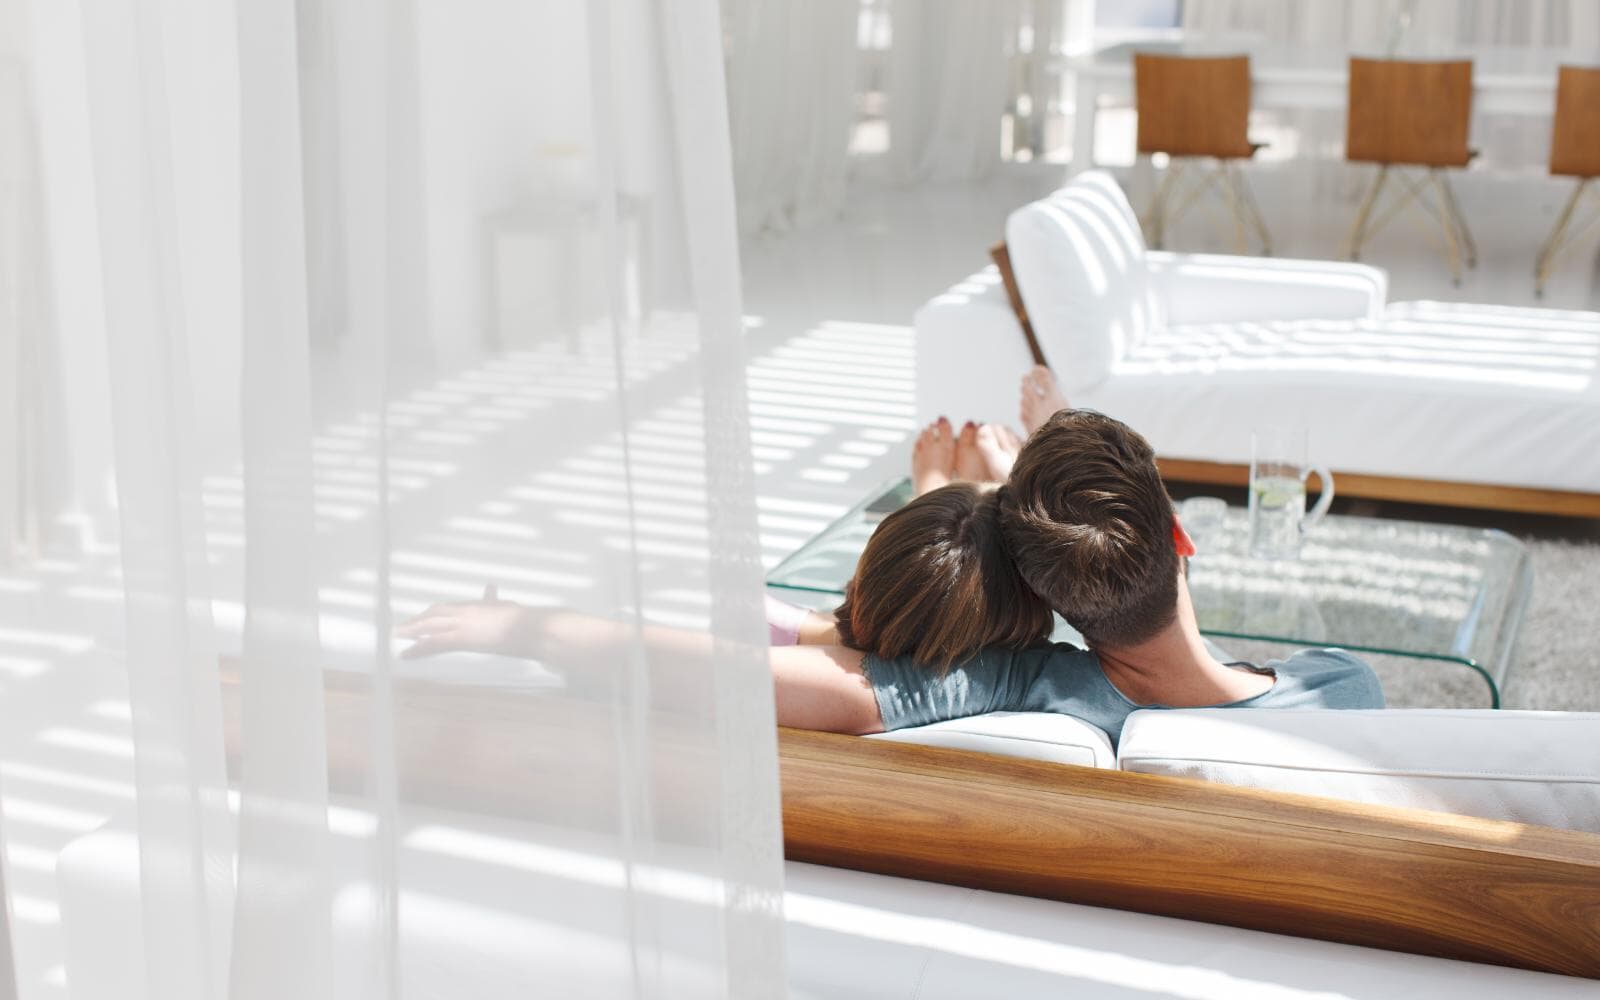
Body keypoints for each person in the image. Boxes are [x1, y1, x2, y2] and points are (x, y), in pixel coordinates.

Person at [399, 368, 1382, 743]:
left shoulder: (1034, 681)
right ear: (1181, 539)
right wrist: (1041, 462)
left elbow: (748, 675)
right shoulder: (1346, 692)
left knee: (842, 617)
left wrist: (522, 628)